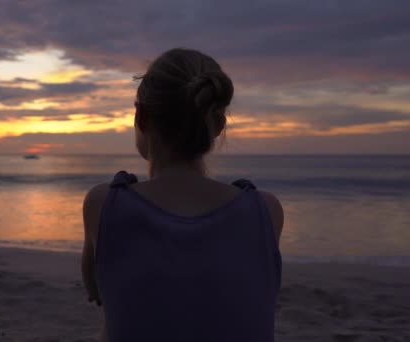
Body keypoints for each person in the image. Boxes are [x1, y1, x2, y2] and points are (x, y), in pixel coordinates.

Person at [81, 48, 283, 341]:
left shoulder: (104, 205)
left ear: (141, 118)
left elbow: (96, 290)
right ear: (217, 127)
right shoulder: (266, 211)